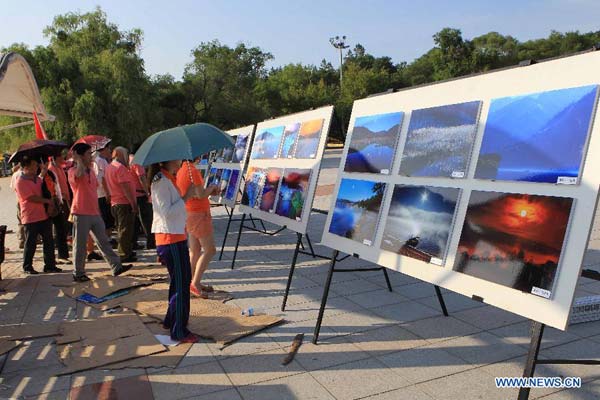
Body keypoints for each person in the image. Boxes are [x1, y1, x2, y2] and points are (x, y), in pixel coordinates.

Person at [149, 159, 199, 343]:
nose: (181, 163)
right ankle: (179, 330)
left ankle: (171, 320)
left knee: (180, 281)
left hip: (176, 236)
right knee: (181, 285)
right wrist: (186, 197)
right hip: (170, 239)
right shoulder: (161, 181)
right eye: (178, 159)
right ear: (168, 160)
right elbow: (166, 212)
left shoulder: (168, 178)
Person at [68, 143, 131, 282]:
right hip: (80, 211)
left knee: (103, 241)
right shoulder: (73, 171)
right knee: (80, 244)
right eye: (88, 153)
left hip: (94, 211)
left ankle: (116, 266)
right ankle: (78, 272)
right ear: (80, 155)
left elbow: (95, 186)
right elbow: (77, 176)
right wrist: (78, 161)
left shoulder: (91, 170)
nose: (91, 156)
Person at [176, 160, 219, 298]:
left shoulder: (183, 169)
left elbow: (194, 192)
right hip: (199, 214)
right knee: (210, 250)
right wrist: (211, 188)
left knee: (194, 251)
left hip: (190, 212)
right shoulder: (192, 171)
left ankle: (191, 282)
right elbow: (201, 194)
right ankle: (195, 283)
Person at [14, 156, 62, 275]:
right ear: (26, 166)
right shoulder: (20, 181)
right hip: (30, 217)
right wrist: (46, 201)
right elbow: (30, 197)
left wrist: (50, 203)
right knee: (31, 243)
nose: (37, 167)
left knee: (49, 242)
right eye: (35, 165)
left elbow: (45, 189)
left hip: (43, 215)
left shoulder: (38, 179)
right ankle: (27, 266)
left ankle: (50, 265)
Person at [105, 147, 138, 262]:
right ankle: (124, 253)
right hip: (123, 202)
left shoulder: (110, 167)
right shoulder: (120, 168)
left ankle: (126, 251)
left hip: (115, 201)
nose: (127, 156)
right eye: (125, 153)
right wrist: (133, 203)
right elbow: (125, 187)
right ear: (119, 154)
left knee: (122, 228)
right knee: (125, 229)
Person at [90, 143, 114, 261]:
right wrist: (108, 193)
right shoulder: (101, 161)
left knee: (105, 219)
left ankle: (106, 243)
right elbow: (102, 178)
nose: (109, 151)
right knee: (106, 220)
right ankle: (106, 242)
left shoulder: (96, 161)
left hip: (99, 194)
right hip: (102, 194)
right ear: (103, 149)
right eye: (108, 148)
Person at [43, 160, 70, 263]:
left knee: (60, 229)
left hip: (55, 201)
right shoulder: (37, 175)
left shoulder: (51, 173)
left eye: (45, 162)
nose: (44, 165)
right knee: (47, 233)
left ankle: (63, 255)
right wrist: (42, 174)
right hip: (44, 203)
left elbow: (56, 185)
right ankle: (50, 259)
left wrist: (59, 198)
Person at [130, 153, 155, 249]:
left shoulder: (128, 160)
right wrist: (147, 192)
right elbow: (141, 177)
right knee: (146, 221)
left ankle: (133, 243)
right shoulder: (137, 161)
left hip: (133, 194)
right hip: (140, 194)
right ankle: (151, 242)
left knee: (135, 222)